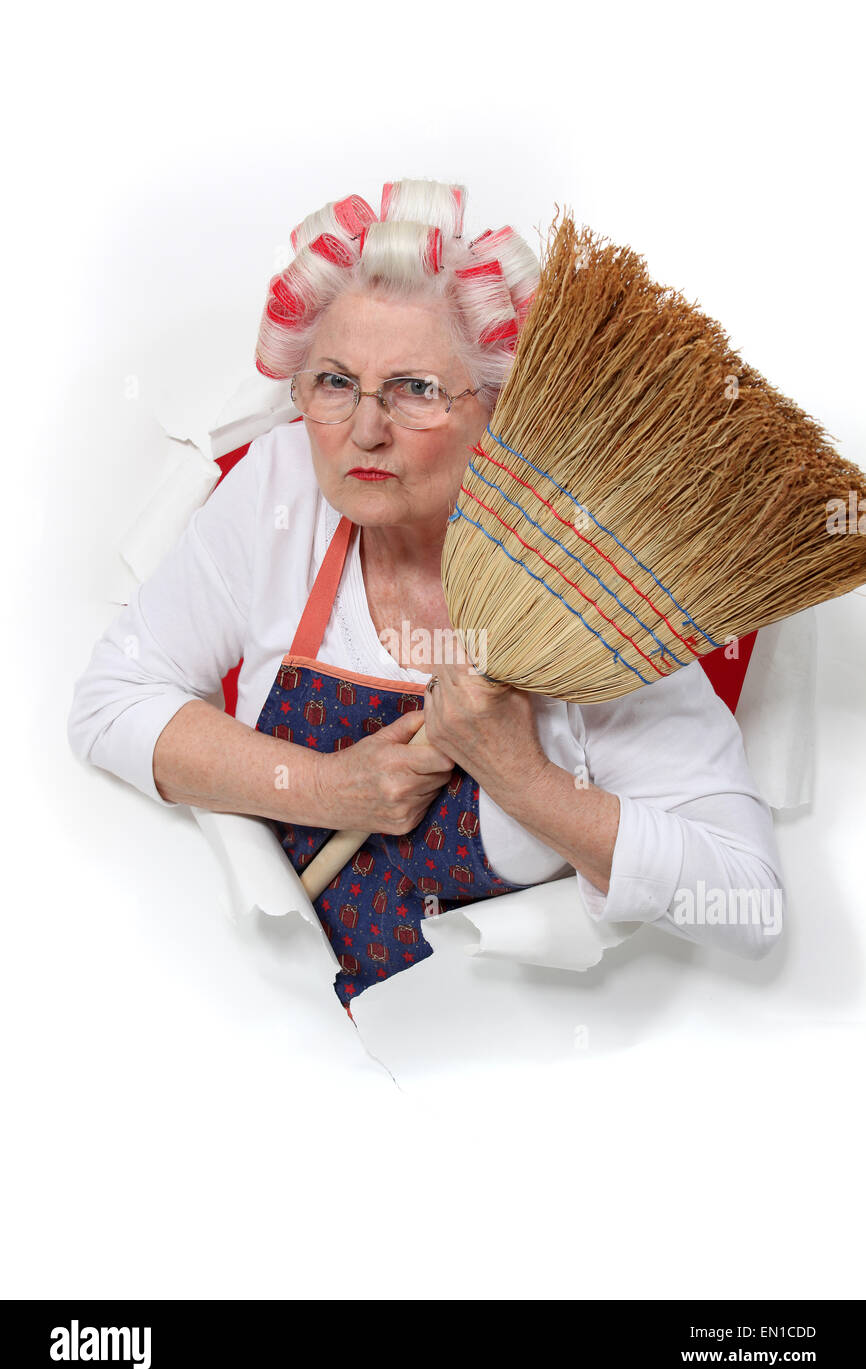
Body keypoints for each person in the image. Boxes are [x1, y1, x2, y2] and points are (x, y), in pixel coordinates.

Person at [67, 177, 784, 1011]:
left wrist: (523, 779)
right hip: (256, 1003)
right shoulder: (283, 488)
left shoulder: (594, 591)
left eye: (416, 390)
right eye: (335, 382)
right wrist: (328, 786)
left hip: (484, 1049)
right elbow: (111, 704)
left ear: (502, 412)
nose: (365, 431)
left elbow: (748, 899)